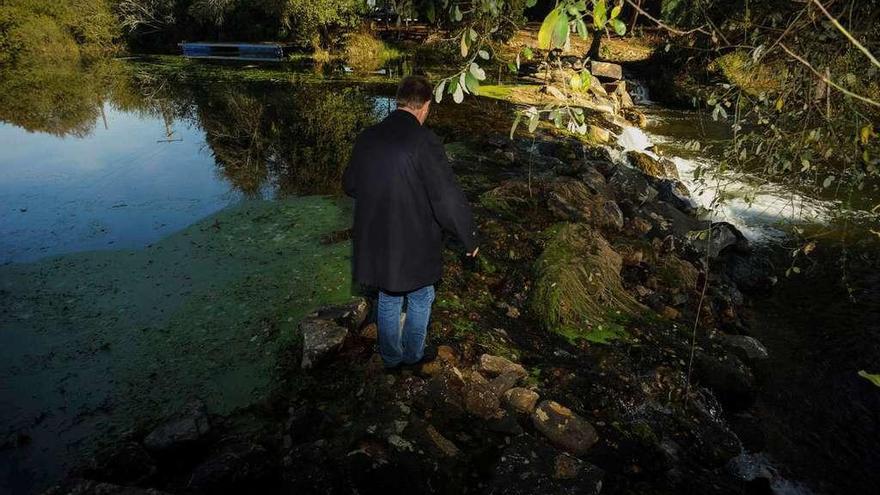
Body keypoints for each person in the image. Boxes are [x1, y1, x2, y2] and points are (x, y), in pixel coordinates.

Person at [343, 75, 478, 371]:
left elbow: (350, 185)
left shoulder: (369, 136)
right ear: (426, 106)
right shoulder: (425, 141)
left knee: (388, 297)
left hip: (377, 236)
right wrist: (468, 237)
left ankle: (390, 358)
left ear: (398, 101)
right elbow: (446, 198)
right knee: (421, 295)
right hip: (414, 239)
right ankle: (413, 355)